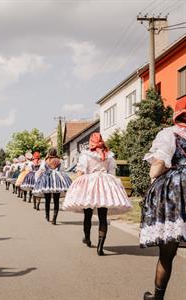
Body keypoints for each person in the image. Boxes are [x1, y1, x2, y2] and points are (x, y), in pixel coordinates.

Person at [140, 98, 186, 300]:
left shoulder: (170, 134)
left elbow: (159, 164)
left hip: (176, 193)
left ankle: (158, 298)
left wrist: (153, 177)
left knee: (167, 255)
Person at [62, 133, 131, 255]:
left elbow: (81, 171)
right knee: (102, 217)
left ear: (91, 142)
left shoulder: (86, 155)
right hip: (105, 184)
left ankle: (87, 238)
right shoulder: (109, 155)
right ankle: (100, 247)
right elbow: (111, 172)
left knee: (87, 214)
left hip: (90, 185)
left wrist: (77, 185)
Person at [33, 148, 72, 225]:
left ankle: (47, 216)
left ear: (49, 153)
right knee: (56, 200)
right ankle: (54, 218)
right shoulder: (59, 161)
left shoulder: (45, 161)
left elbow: (41, 170)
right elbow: (62, 170)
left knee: (47, 199)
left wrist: (38, 180)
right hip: (57, 181)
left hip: (47, 180)